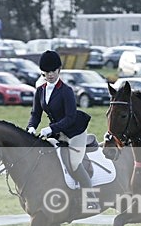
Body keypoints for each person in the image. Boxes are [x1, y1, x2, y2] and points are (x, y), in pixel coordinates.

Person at [27, 50, 98, 210]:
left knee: (74, 163)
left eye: (53, 71)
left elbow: (70, 117)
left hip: (74, 132)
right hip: (57, 133)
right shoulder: (40, 91)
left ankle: (90, 198)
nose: (50, 75)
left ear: (59, 70)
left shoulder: (66, 91)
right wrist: (31, 127)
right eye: (47, 72)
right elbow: (35, 114)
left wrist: (50, 129)